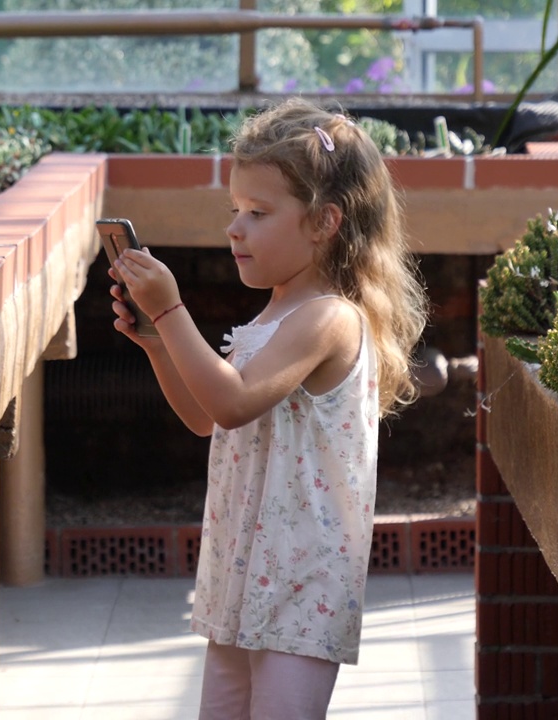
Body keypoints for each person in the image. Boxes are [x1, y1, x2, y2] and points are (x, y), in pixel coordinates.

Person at [108, 98, 428, 720]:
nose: (235, 228)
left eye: (258, 212)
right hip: (243, 571)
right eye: (234, 210)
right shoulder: (272, 317)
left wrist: (173, 313)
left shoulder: (328, 318)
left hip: (303, 581)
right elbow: (206, 416)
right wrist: (155, 343)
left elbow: (230, 403)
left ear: (324, 222)